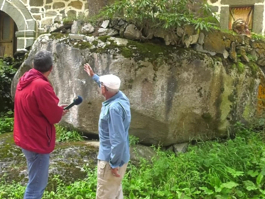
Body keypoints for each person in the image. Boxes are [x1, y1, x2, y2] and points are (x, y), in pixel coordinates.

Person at [13, 50, 68, 199]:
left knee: (34, 182)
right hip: (37, 140)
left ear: (33, 65)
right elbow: (54, 117)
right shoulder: (41, 85)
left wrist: (55, 109)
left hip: (25, 136)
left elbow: (36, 108)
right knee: (36, 187)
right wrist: (59, 111)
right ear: (51, 68)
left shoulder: (24, 80)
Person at [84, 63, 131, 199]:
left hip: (111, 161)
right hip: (122, 156)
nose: (100, 87)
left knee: (106, 194)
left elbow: (118, 139)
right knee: (115, 193)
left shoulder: (113, 109)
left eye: (101, 85)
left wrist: (114, 163)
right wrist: (94, 77)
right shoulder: (121, 97)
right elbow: (109, 86)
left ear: (104, 88)